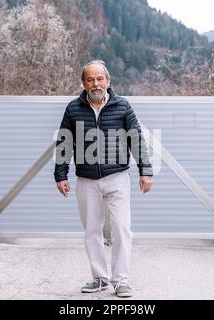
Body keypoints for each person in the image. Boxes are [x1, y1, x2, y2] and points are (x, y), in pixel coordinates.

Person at [54, 60, 153, 298]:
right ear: (84, 83)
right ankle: (99, 278)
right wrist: (61, 174)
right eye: (90, 79)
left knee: (121, 228)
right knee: (92, 230)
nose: (95, 84)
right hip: (86, 179)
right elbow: (65, 142)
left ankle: (121, 281)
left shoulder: (122, 106)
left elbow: (136, 139)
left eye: (100, 79)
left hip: (117, 177)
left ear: (107, 81)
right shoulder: (73, 109)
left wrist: (145, 170)